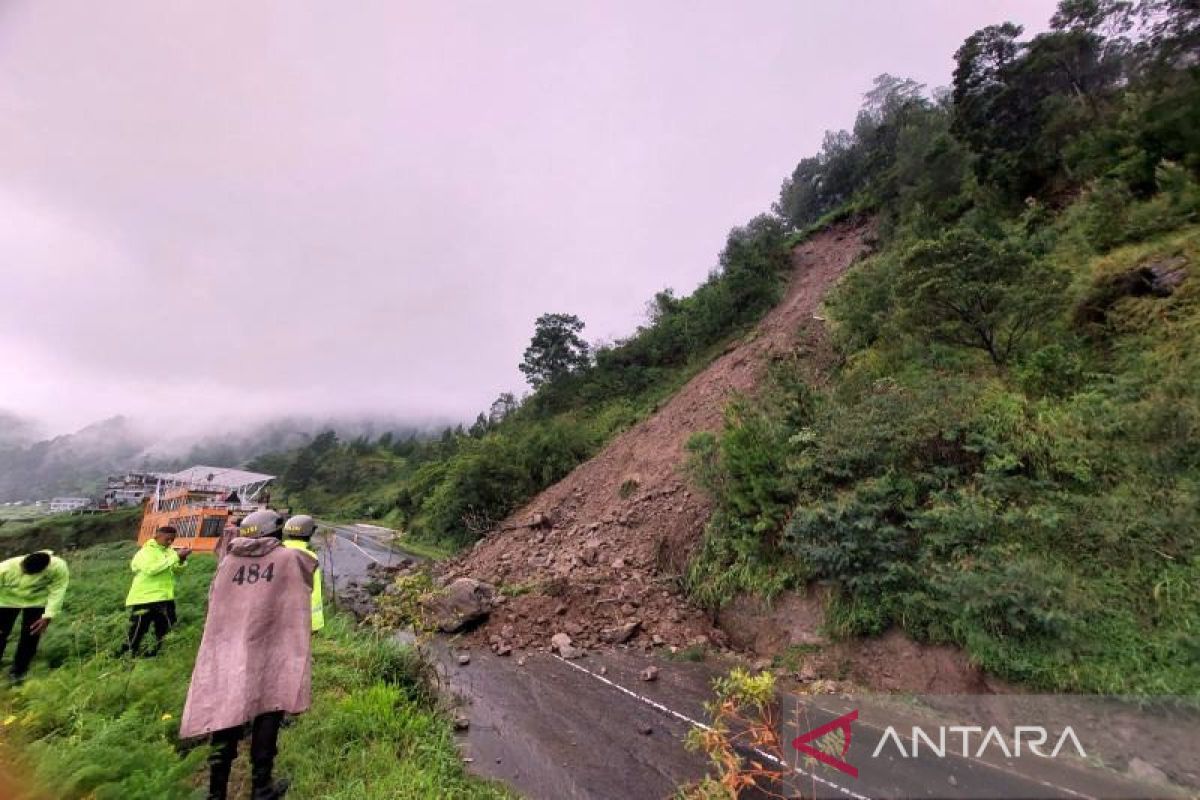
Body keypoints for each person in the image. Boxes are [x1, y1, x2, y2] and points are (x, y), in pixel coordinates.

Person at [180, 509, 318, 800]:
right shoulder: (288, 559)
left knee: (225, 713)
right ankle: (261, 787)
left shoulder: (228, 562)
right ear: (276, 531)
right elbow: (308, 568)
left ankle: (216, 792)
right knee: (269, 709)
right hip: (271, 648)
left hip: (228, 649)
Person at [0, 550, 69, 683]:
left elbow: (58, 590)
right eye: (23, 569)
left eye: (26, 573)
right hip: (6, 601)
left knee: (31, 635)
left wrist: (48, 616)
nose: (23, 572)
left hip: (37, 601)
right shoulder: (4, 568)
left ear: (43, 571)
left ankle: (18, 673)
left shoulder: (58, 567)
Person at [122, 525, 190, 656]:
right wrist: (175, 557)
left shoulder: (169, 551)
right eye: (167, 539)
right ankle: (128, 654)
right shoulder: (145, 552)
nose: (170, 542)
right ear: (157, 536)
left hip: (165, 597)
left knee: (165, 628)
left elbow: (177, 571)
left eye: (173, 539)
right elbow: (152, 569)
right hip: (145, 598)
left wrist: (182, 560)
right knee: (138, 629)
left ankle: (156, 654)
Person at [282, 515, 324, 632]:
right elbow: (314, 592)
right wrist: (314, 624)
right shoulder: (311, 557)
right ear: (310, 533)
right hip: (300, 615)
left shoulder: (277, 551)